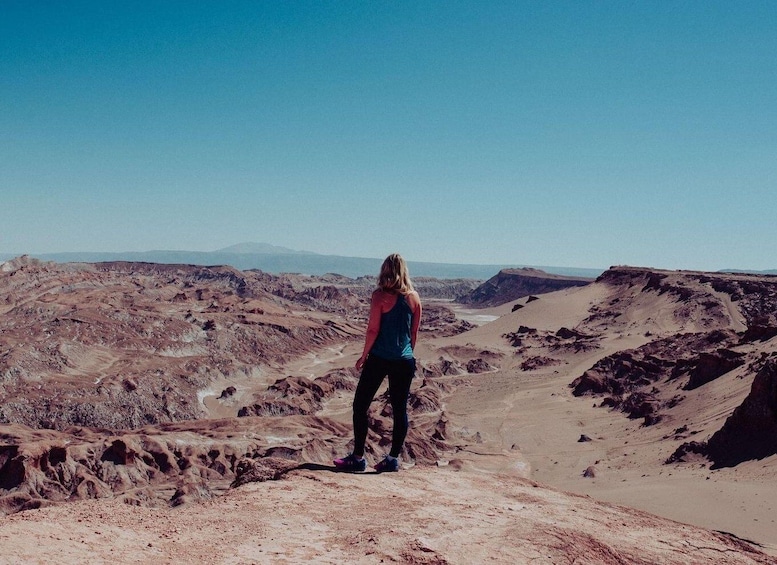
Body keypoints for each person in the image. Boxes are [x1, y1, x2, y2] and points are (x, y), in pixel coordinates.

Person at [334, 253, 422, 472]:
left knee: (360, 405)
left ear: (385, 271)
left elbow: (373, 329)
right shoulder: (414, 298)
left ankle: (357, 458)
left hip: (380, 359)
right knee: (400, 410)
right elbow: (414, 332)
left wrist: (363, 356)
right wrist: (406, 353)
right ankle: (393, 460)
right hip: (405, 360)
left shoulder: (380, 296)